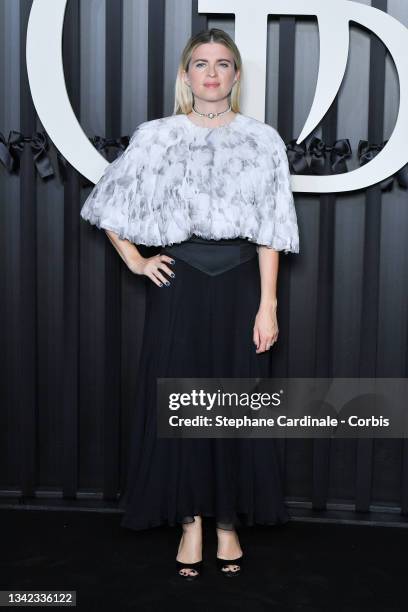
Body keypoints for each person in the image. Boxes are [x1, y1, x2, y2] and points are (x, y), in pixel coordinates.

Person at [80, 28, 299, 581]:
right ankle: (189, 521)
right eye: (200, 63)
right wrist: (134, 259)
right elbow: (110, 203)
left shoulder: (262, 140)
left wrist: (267, 304)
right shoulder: (157, 137)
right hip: (179, 286)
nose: (211, 73)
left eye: (222, 64)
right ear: (185, 75)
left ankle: (226, 521)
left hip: (240, 286)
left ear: (236, 76)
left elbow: (271, 229)